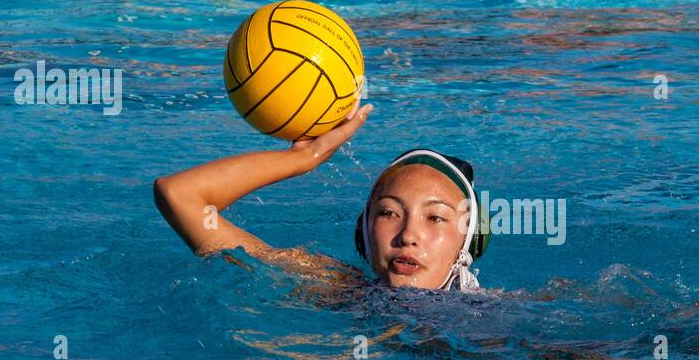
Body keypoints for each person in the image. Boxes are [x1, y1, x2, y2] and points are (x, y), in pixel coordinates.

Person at [153, 101, 488, 292]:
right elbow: (179, 195)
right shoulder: (338, 290)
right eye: (388, 213)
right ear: (364, 233)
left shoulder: (500, 319)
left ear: (467, 242)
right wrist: (303, 158)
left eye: (436, 217)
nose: (408, 236)